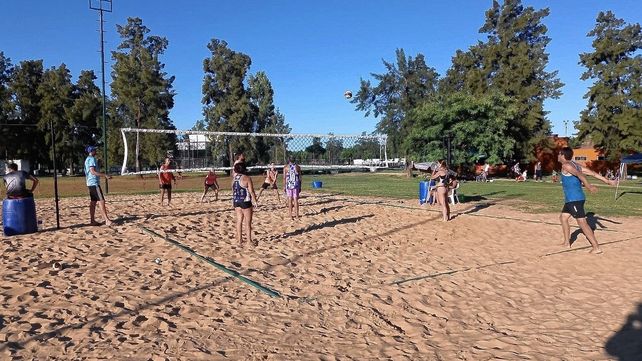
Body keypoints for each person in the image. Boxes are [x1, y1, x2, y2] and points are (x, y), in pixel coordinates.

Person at [558, 147, 616, 254]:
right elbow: (593, 173)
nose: (558, 156)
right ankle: (567, 243)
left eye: (559, 154)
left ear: (562, 155)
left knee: (582, 223)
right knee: (563, 218)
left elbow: (580, 175)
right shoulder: (575, 164)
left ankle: (596, 247)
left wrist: (588, 186)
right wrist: (607, 181)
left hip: (574, 199)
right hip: (572, 199)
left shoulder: (566, 165)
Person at [84, 146, 113, 226]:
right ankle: (107, 220)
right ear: (92, 151)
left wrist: (99, 164)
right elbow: (92, 171)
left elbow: (91, 170)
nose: (96, 151)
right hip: (94, 183)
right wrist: (105, 175)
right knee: (101, 201)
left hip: (90, 183)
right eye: (95, 150)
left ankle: (92, 220)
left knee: (93, 202)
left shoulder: (88, 159)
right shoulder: (92, 159)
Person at [232, 161, 258, 246]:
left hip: (236, 201)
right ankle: (249, 241)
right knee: (248, 222)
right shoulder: (247, 178)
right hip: (245, 202)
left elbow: (233, 191)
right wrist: (255, 201)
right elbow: (251, 191)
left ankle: (240, 240)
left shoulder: (234, 179)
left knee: (239, 221)